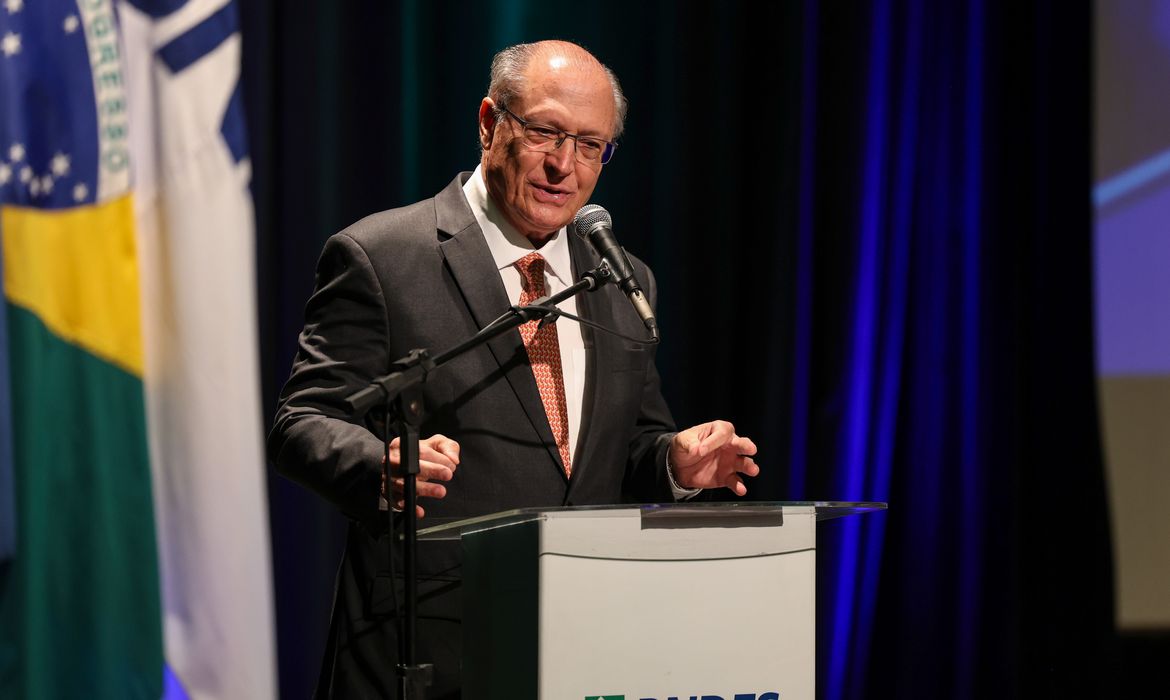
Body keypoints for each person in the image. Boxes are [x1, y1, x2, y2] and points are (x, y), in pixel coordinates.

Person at [269, 39, 759, 699]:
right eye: (545, 132)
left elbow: (625, 446)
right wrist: (379, 465)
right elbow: (302, 421)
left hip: (583, 644)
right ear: (488, 122)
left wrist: (673, 462)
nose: (564, 165)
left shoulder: (621, 279)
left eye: (590, 145)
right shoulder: (382, 256)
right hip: (427, 647)